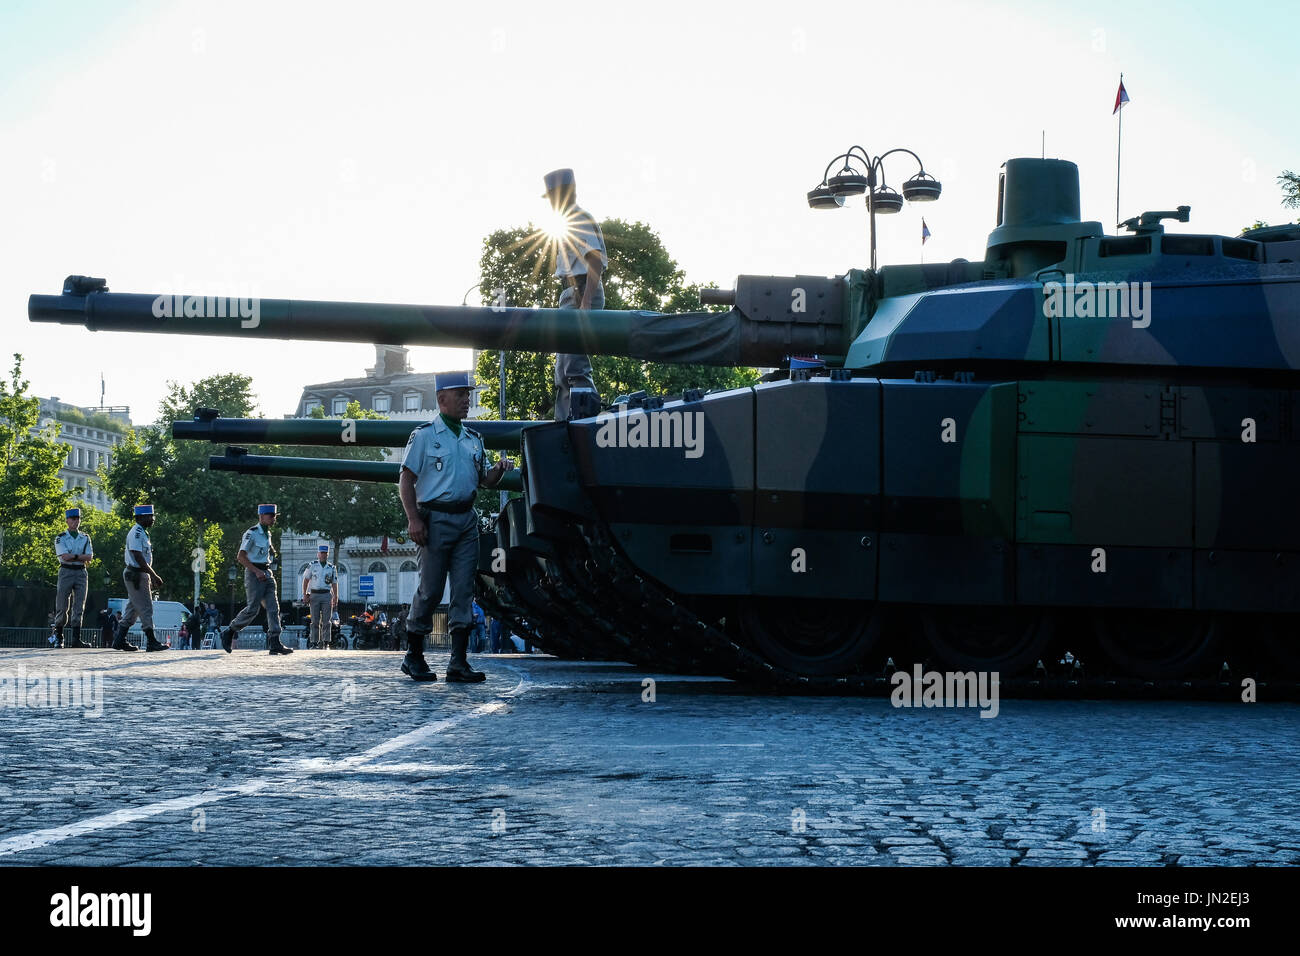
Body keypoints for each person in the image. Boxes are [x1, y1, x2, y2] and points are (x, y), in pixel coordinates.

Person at [398, 370, 512, 682]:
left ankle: (458, 661)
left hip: (466, 520)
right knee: (431, 590)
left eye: (468, 394)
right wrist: (413, 518)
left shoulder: (474, 440)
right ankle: (414, 655)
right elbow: (406, 479)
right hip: (433, 519)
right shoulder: (423, 436)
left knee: (464, 591)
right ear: (441, 399)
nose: (467, 400)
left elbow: (484, 480)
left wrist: (499, 470)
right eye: (460, 394)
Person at [544, 168, 608, 420]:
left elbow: (594, 261)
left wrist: (585, 304)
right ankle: (566, 424)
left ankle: (583, 423)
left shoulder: (577, 218)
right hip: (573, 293)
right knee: (563, 370)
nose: (550, 202)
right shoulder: (569, 219)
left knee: (574, 368)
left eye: (552, 196)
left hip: (581, 292)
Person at [220, 504, 292, 656]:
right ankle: (230, 631)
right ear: (261, 516)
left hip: (266, 572)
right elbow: (241, 557)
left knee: (274, 608)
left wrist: (265, 571)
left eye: (275, 516)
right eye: (271, 516)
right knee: (253, 609)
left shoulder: (268, 534)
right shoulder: (251, 533)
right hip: (254, 574)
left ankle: (275, 642)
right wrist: (256, 571)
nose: (273, 519)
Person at [114, 504, 166, 652]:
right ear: (140, 518)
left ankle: (119, 640)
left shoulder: (142, 532)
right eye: (149, 516)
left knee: (133, 609)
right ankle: (151, 641)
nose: (153, 519)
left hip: (139, 574)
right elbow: (138, 555)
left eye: (153, 516)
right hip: (136, 574)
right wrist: (153, 574)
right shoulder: (136, 532)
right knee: (146, 607)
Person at [51, 507, 94, 648]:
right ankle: (59, 637)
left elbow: (90, 557)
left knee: (79, 605)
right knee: (62, 605)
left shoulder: (85, 537)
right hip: (66, 571)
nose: (76, 522)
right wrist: (80, 557)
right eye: (73, 519)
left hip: (81, 572)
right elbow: (64, 557)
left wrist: (74, 556)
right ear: (67, 521)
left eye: (78, 519)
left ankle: (76, 639)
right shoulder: (60, 537)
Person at [301, 543, 338, 649]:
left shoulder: (331, 567)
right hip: (314, 594)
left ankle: (326, 642)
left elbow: (334, 583)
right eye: (321, 553)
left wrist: (336, 596)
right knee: (315, 620)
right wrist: (304, 594)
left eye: (325, 553)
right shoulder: (312, 565)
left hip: (326, 594)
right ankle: (314, 642)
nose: (323, 555)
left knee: (327, 620)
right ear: (318, 554)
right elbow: (306, 580)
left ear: (328, 555)